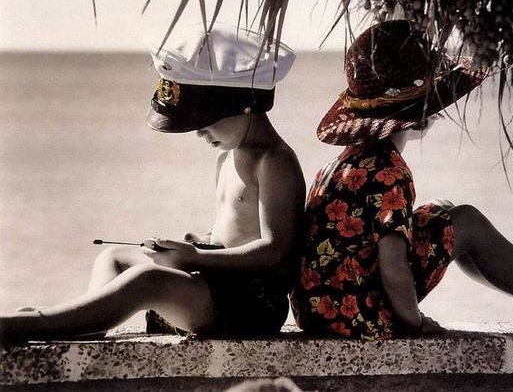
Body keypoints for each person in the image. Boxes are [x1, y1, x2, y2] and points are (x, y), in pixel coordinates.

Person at [290, 20, 513, 339]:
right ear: (420, 117)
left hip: (318, 310)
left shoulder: (342, 163)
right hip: (358, 315)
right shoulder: (389, 171)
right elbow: (392, 261)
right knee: (468, 221)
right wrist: (415, 322)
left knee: (443, 209)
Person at [0, 24, 306, 344]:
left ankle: (38, 325)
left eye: (205, 123)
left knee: (147, 279)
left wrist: (196, 258)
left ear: (245, 105)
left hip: (252, 303)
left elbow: (276, 252)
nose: (200, 134)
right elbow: (230, 233)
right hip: (217, 279)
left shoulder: (274, 161)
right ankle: (87, 322)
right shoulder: (226, 157)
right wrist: (200, 244)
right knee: (113, 258)